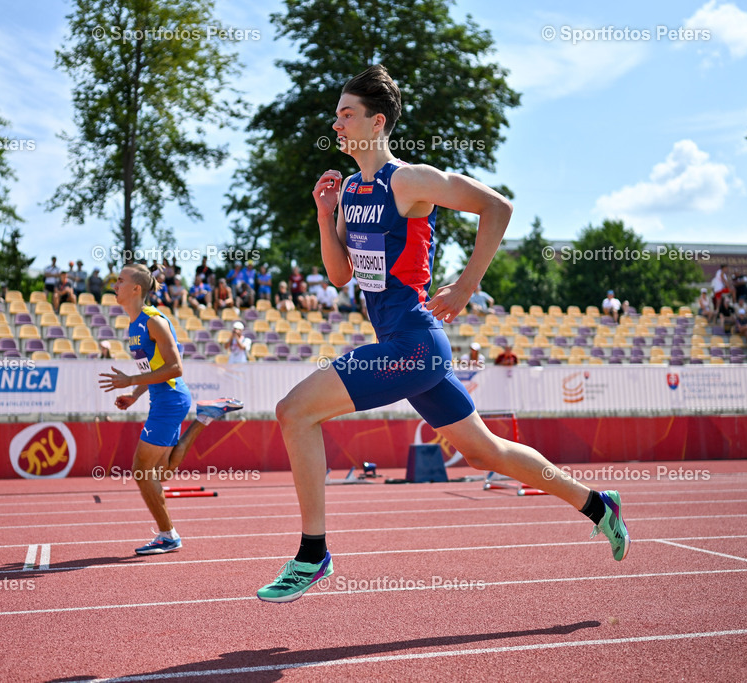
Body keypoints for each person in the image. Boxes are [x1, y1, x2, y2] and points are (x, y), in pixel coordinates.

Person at [255, 65, 629, 604]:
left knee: (294, 411)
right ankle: (599, 505)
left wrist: (466, 285)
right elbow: (340, 277)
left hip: (413, 343)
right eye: (336, 114)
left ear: (376, 121)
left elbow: (497, 207)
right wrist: (324, 214)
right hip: (403, 348)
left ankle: (313, 555)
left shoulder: (407, 180)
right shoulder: (352, 188)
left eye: (346, 114)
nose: (335, 124)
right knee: (486, 454)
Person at [98, 263, 243, 555]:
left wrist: (131, 381)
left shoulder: (153, 321)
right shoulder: (134, 323)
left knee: (141, 471)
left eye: (120, 281)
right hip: (163, 399)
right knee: (159, 473)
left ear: (136, 289)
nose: (115, 285)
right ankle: (204, 417)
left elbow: (175, 367)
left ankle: (168, 535)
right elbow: (153, 368)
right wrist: (135, 393)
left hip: (169, 400)